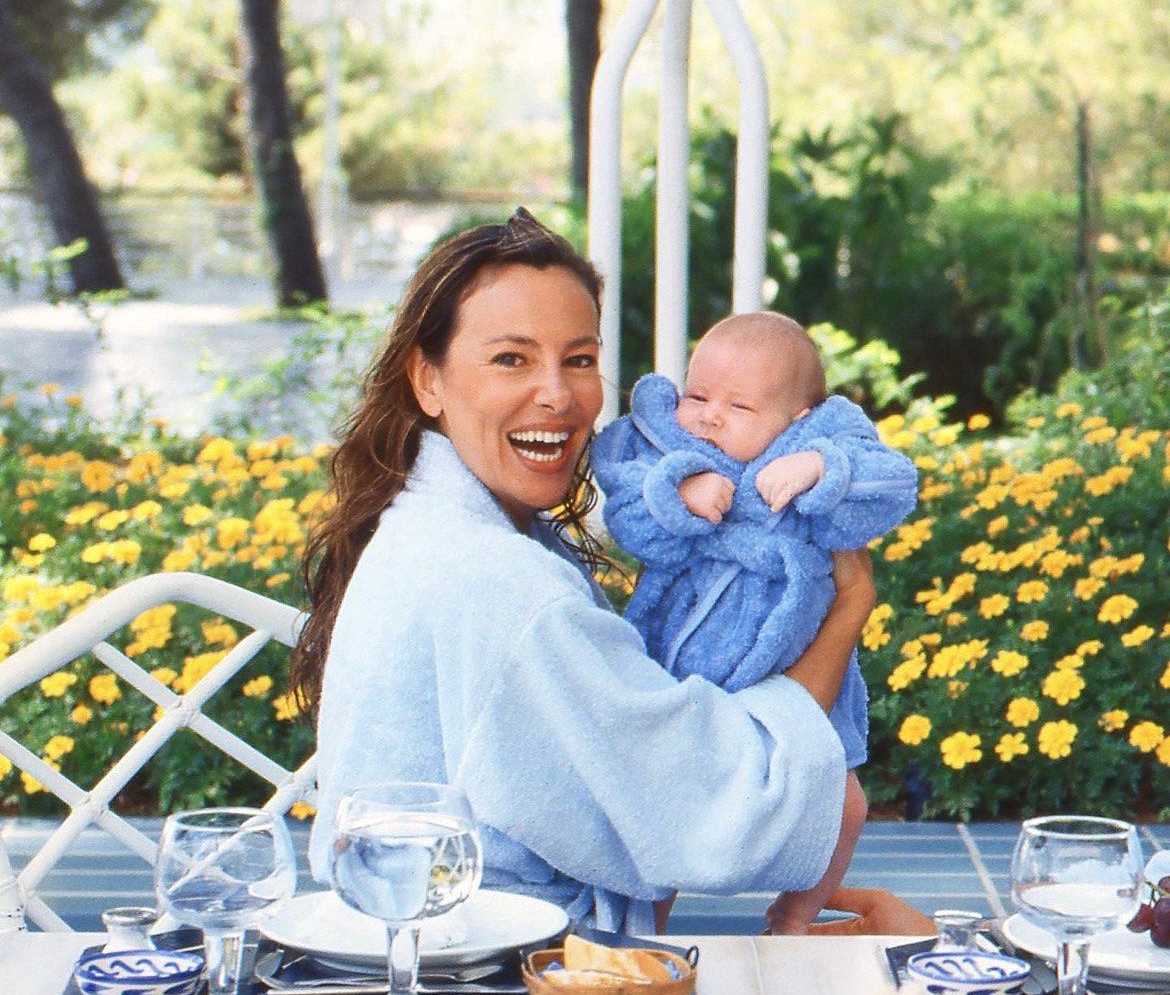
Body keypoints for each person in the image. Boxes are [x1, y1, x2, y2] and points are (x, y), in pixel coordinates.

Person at [293, 208, 895, 937]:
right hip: (503, 977)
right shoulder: (501, 584)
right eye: (511, 359)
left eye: (579, 359)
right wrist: (846, 609)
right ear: (428, 379)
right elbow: (714, 799)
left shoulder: (433, 524)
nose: (558, 394)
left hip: (422, 942)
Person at [592, 312, 918, 933]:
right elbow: (628, 506)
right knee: (663, 807)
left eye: (738, 405)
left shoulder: (824, 438)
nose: (709, 415)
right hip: (683, 659)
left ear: (795, 423)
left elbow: (894, 481)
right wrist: (678, 494)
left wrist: (824, 469)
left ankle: (795, 915)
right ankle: (647, 920)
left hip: (797, 660)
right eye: (698, 395)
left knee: (846, 807)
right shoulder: (666, 445)